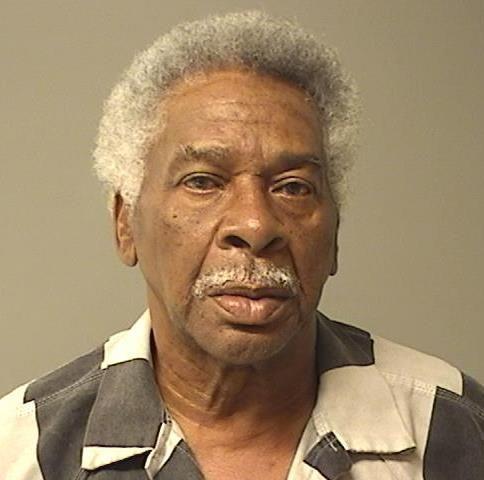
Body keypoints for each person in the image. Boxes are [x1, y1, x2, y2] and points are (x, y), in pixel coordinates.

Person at [1, 11, 483, 480]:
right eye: (203, 181)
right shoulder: (20, 453)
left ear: (334, 233)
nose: (255, 224)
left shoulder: (458, 430)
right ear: (125, 223)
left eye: (293, 187)